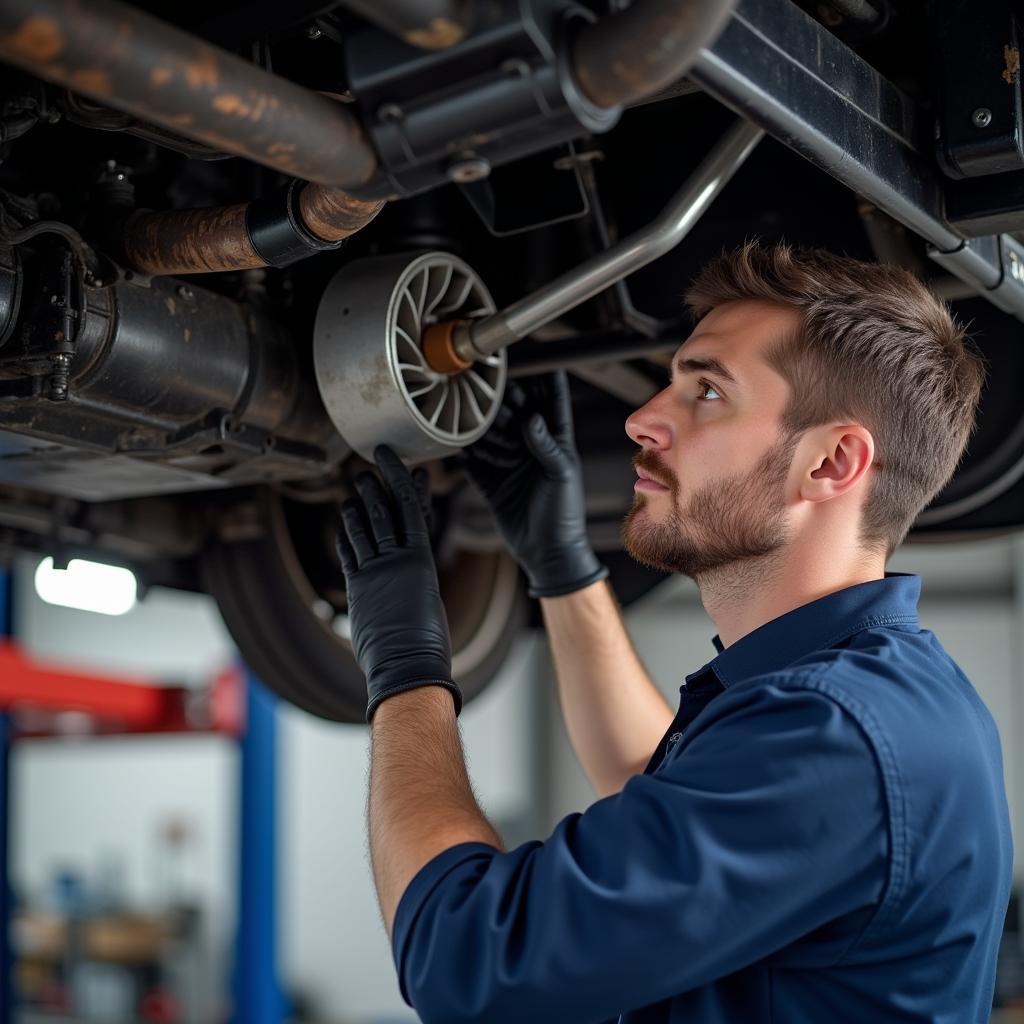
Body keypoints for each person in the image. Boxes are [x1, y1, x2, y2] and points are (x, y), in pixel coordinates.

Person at [335, 241, 1012, 1024]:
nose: (642, 418)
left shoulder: (839, 733)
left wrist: (406, 670)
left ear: (831, 462)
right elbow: (648, 782)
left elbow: (467, 958)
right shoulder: (875, 698)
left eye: (708, 392)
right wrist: (561, 570)